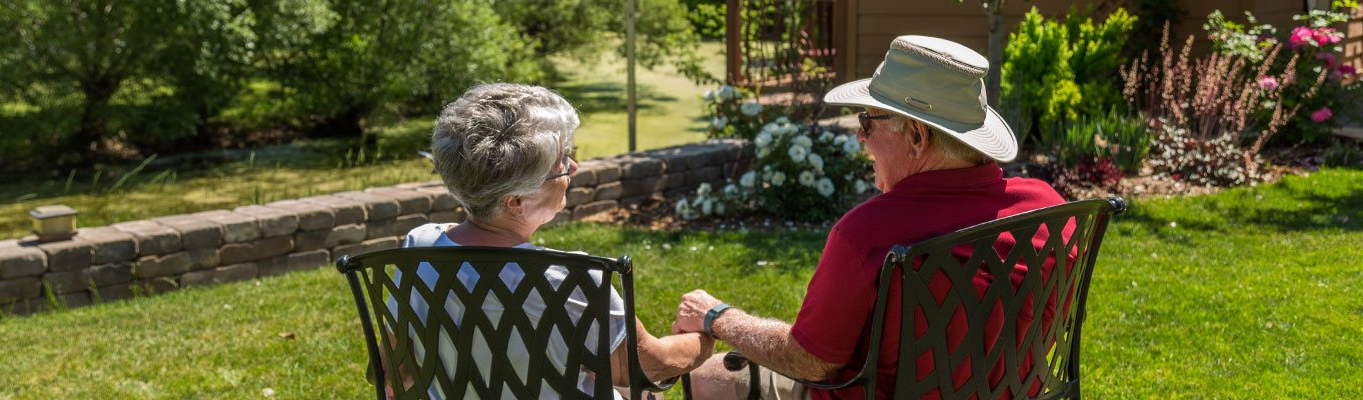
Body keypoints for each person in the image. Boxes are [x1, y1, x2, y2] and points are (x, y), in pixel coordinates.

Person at [670, 36, 1067, 399]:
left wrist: (719, 318)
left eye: (867, 121)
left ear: (916, 137)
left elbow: (809, 360)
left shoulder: (868, 235)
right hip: (1010, 393)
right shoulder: (1051, 211)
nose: (860, 136)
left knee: (703, 377)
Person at [386, 83, 714, 399]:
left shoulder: (419, 248)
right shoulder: (572, 280)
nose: (573, 167)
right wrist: (705, 332)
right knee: (728, 380)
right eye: (560, 164)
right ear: (515, 201)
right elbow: (644, 366)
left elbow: (397, 369)